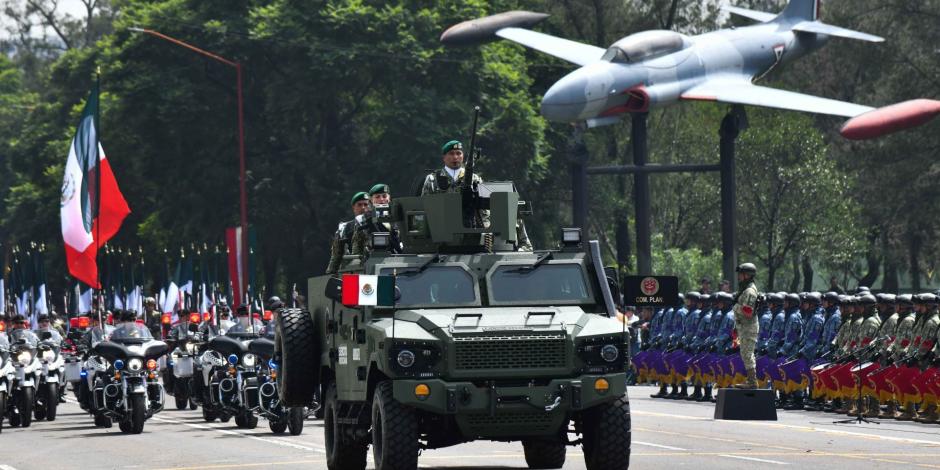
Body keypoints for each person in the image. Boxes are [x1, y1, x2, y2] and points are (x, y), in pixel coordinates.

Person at [351, 183, 403, 256]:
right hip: (372, 258)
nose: (381, 199)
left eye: (384, 196)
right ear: (371, 200)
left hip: (398, 257)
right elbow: (357, 247)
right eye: (377, 197)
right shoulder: (363, 219)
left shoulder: (397, 217)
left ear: (389, 198)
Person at [326, 191, 371, 274]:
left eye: (366, 204)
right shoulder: (345, 228)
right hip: (354, 270)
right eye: (359, 205)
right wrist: (331, 274)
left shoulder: (379, 225)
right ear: (353, 207)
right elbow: (336, 257)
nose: (363, 208)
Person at [731, 263, 760, 389]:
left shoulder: (749, 291)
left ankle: (752, 382)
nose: (739, 277)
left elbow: (748, 312)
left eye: (741, 275)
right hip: (744, 327)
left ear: (747, 275)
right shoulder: (745, 289)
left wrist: (735, 306)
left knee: (747, 354)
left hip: (749, 328)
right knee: (744, 354)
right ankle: (750, 380)